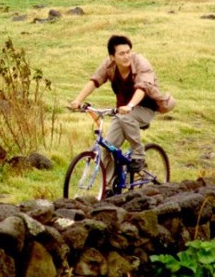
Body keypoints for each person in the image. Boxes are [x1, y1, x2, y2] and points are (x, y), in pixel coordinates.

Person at [69, 34, 171, 183]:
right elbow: (95, 80)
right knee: (108, 147)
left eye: (128, 52)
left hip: (145, 107)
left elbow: (142, 88)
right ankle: (109, 185)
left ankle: (139, 155)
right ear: (112, 57)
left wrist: (130, 106)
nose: (126, 56)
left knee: (125, 116)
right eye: (121, 53)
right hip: (123, 111)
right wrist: (78, 100)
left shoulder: (141, 63)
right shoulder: (109, 65)